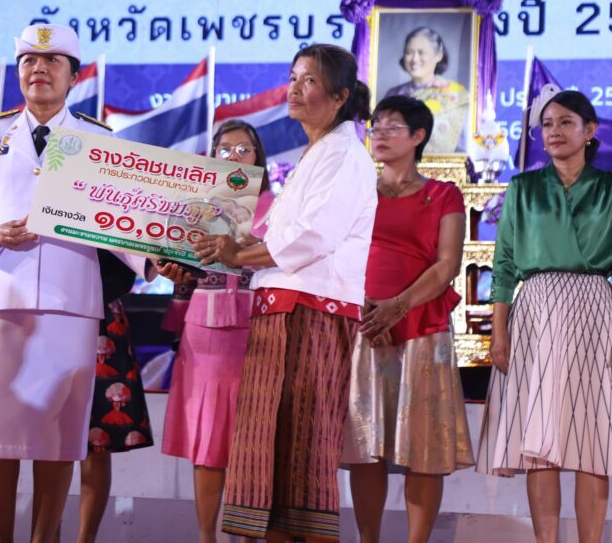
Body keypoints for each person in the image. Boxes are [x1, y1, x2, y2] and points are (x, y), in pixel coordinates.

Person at [0, 24, 153, 543]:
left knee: (59, 438)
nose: (39, 69)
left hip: (70, 305)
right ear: (18, 73)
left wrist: (155, 259)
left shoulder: (98, 140)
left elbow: (120, 223)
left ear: (74, 76)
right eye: (29, 61)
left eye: (52, 60)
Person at [194, 44, 377, 541]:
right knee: (271, 459)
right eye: (293, 77)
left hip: (311, 314)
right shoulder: (315, 154)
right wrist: (211, 249)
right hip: (281, 312)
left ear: (339, 96)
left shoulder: (345, 155)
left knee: (303, 457)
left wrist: (239, 255)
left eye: (309, 80)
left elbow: (312, 237)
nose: (295, 88)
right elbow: (275, 238)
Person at [477, 88, 612, 543]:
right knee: (541, 442)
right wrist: (499, 331)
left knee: (591, 439)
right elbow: (504, 266)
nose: (554, 132)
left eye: (565, 123)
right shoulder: (522, 188)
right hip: (536, 311)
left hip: (595, 310)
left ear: (589, 130)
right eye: (547, 124)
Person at [342, 95, 474, 543]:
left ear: (418, 136)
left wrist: (396, 306)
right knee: (366, 447)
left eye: (391, 126)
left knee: (424, 449)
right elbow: (341, 254)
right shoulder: (357, 191)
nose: (379, 133)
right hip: (364, 327)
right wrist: (366, 310)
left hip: (422, 328)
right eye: (375, 126)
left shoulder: (444, 194)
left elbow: (447, 264)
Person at [160, 119, 273, 543]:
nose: (234, 157)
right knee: (208, 442)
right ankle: (206, 536)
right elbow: (176, 266)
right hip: (204, 334)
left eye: (244, 150)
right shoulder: (193, 206)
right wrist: (170, 268)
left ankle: (249, 536)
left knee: (253, 441)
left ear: (259, 157)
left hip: (260, 331)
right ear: (211, 156)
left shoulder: (278, 207)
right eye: (225, 150)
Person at [60, 252, 153, 543]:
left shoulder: (105, 217)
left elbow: (124, 272)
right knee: (49, 441)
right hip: (48, 315)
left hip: (101, 315)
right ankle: (47, 535)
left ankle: (85, 538)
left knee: (98, 441)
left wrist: (85, 298)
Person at [386, 27, 469, 154]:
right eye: (409, 52)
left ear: (438, 56)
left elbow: (463, 148)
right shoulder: (393, 95)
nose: (415, 59)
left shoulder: (456, 95)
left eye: (421, 52)